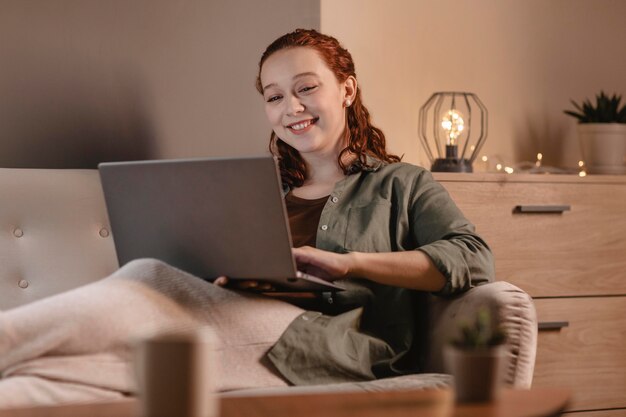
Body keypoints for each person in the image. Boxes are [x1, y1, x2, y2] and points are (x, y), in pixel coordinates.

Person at [0, 29, 493, 407]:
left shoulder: (401, 184)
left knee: (146, 276)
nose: (291, 107)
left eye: (306, 88)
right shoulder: (260, 194)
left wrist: (350, 264)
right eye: (275, 97)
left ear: (347, 89)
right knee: (42, 382)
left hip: (334, 347)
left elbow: (472, 258)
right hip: (232, 321)